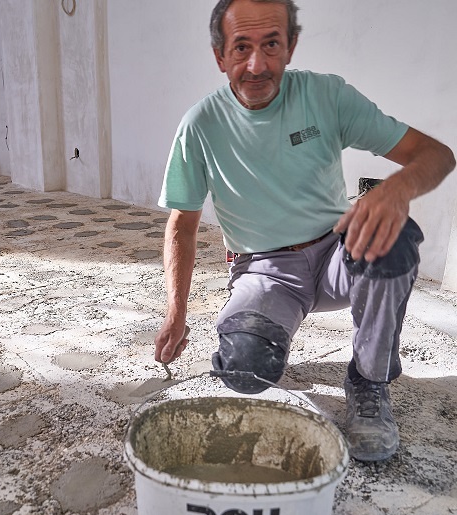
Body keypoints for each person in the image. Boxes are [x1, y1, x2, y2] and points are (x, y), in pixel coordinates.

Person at [153, 0, 455, 462]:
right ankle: (266, 336)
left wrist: (397, 190)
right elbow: (182, 226)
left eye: (272, 44)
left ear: (291, 47)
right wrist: (176, 313)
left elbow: (436, 154)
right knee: (244, 370)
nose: (257, 65)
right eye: (242, 47)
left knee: (394, 237)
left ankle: (369, 382)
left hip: (338, 252)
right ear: (220, 56)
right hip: (264, 270)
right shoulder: (200, 126)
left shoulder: (326, 96)